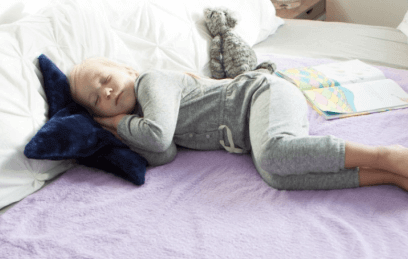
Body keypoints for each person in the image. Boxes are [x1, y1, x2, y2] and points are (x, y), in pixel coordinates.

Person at [69, 57, 408, 191]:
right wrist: (122, 128)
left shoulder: (150, 81)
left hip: (262, 94)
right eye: (96, 98)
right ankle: (390, 176)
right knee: (276, 176)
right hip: (254, 127)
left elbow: (158, 139)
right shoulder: (143, 116)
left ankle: (385, 155)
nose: (106, 91)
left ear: (125, 68)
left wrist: (119, 122)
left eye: (104, 79)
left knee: (275, 155)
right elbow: (165, 153)